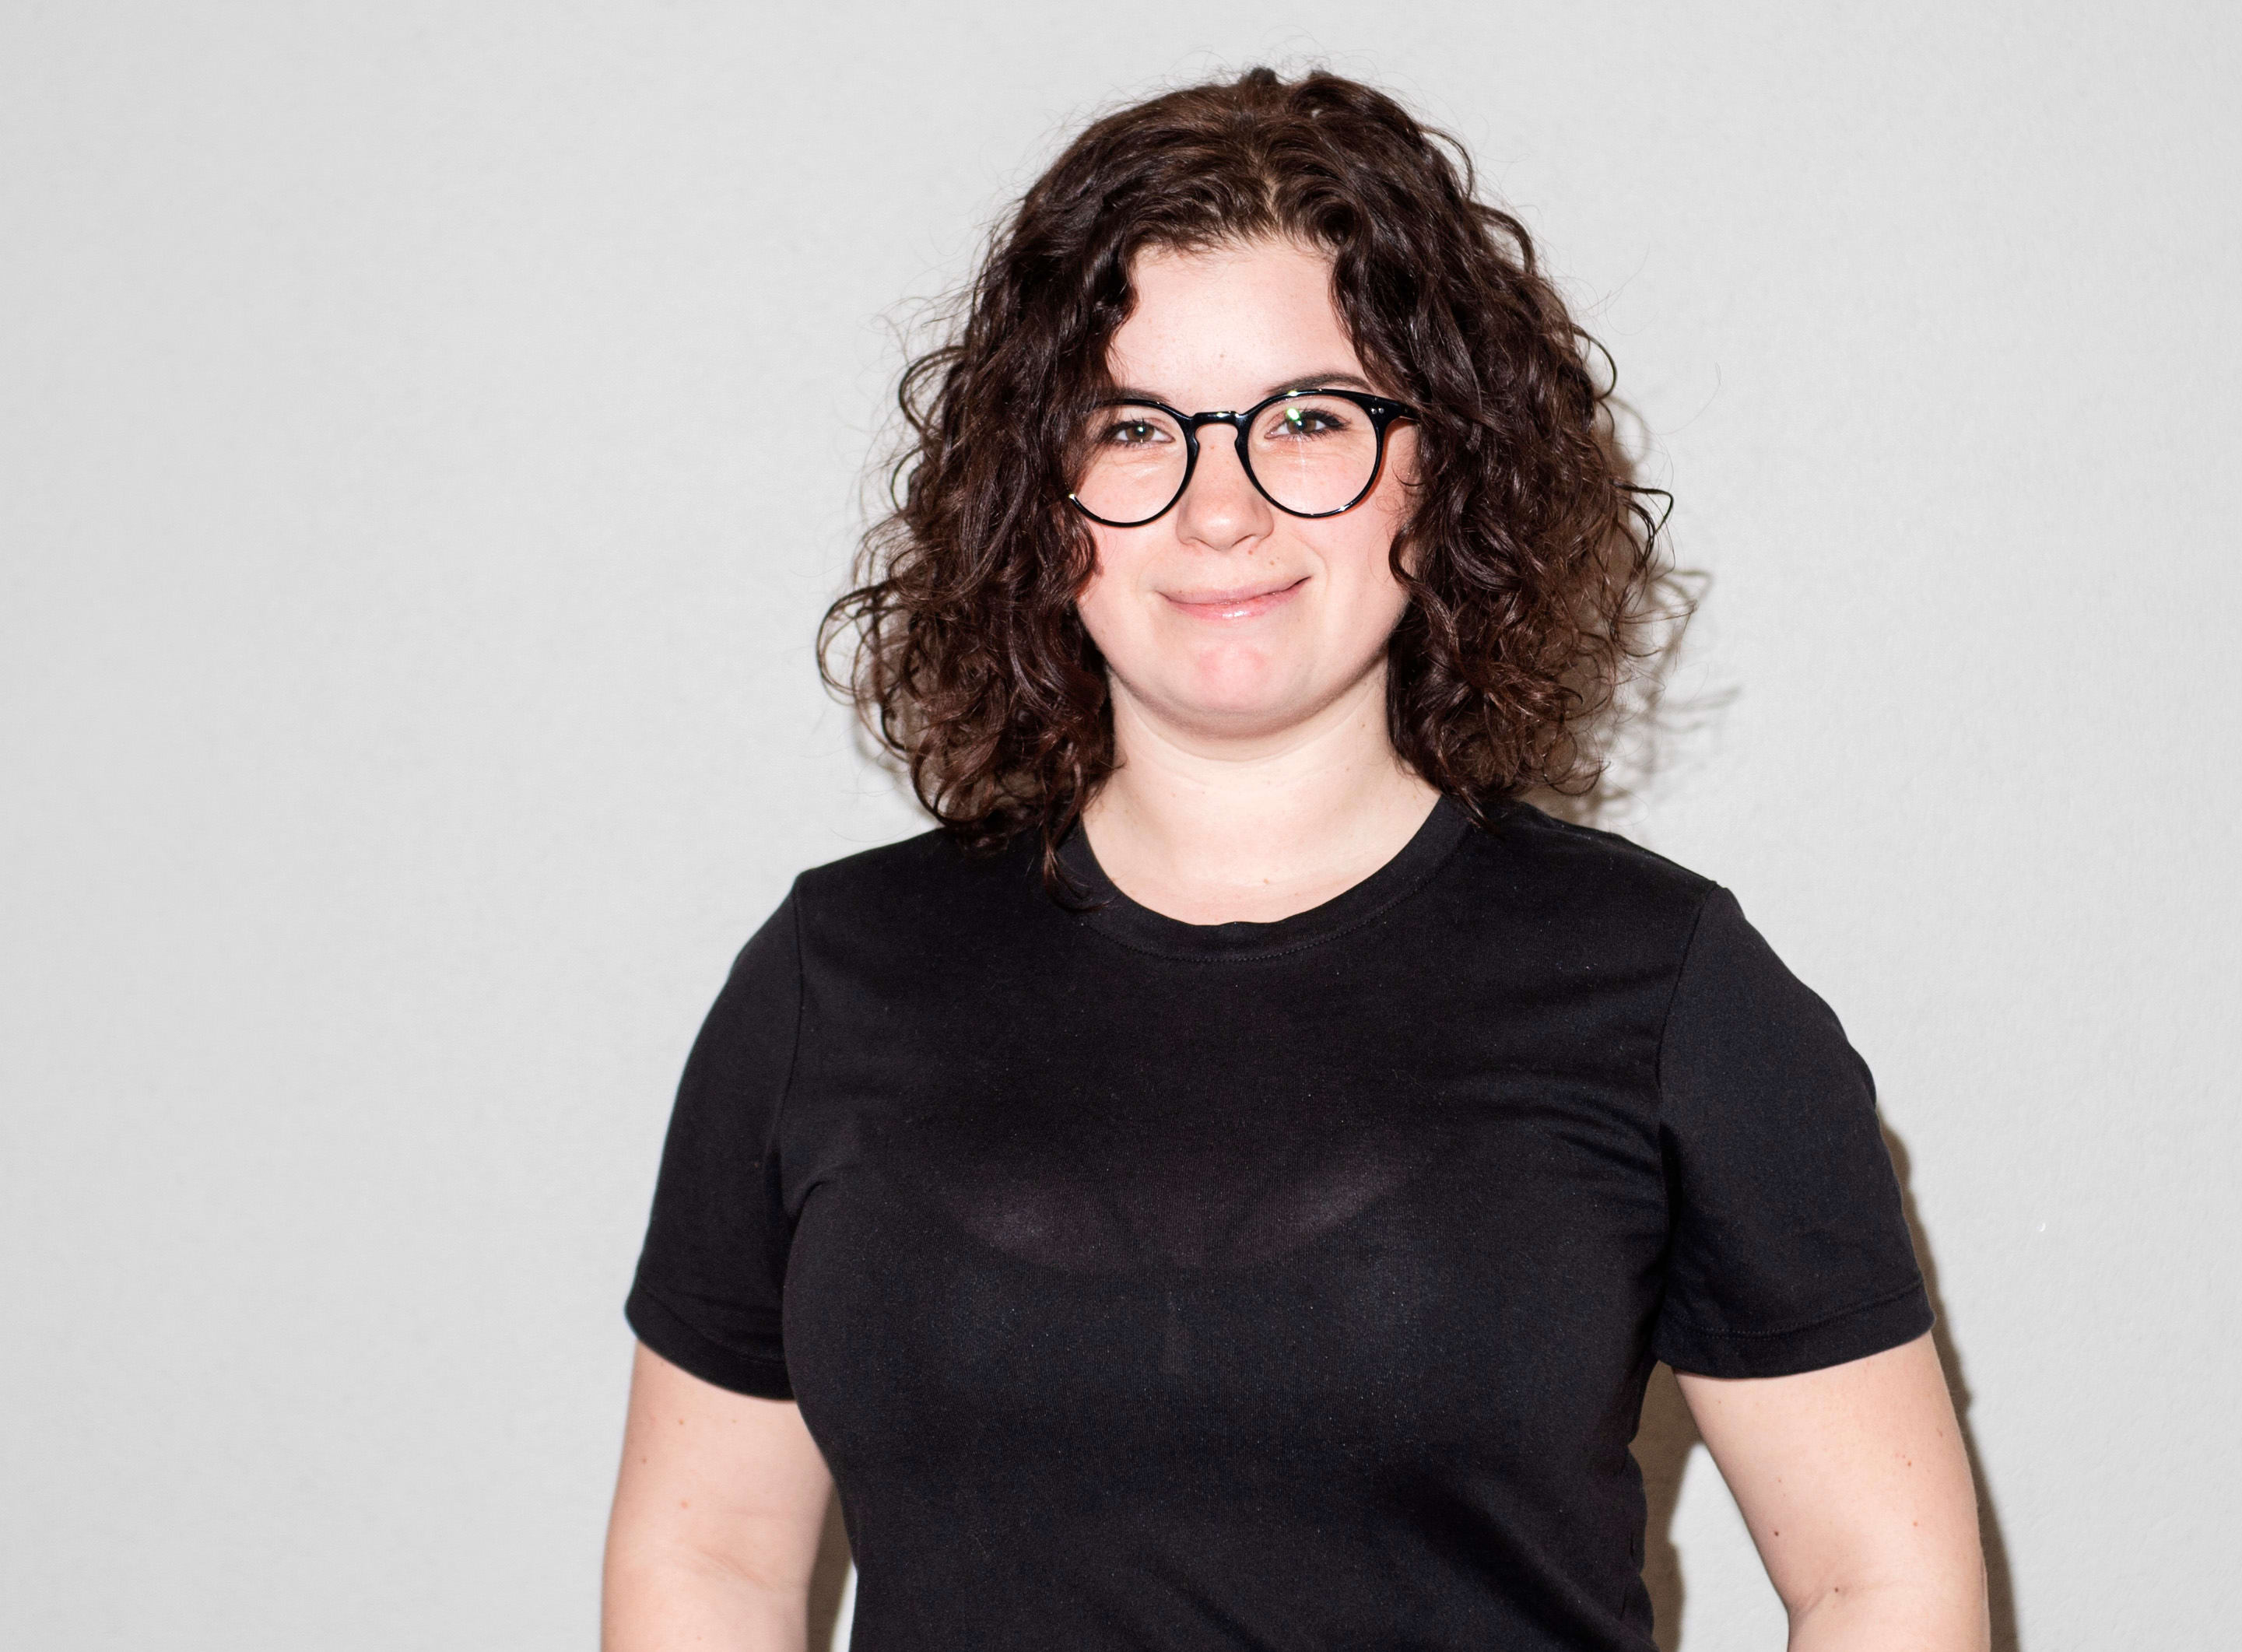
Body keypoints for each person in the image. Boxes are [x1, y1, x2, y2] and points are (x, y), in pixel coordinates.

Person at [602, 67, 1988, 1652]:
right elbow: (707, 1565)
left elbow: (1880, 1581)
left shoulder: (1667, 990)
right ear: (1037, 495)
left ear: (1443, 463)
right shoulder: (832, 977)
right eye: (1133, 428)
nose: (1221, 512)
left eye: (1309, 419)